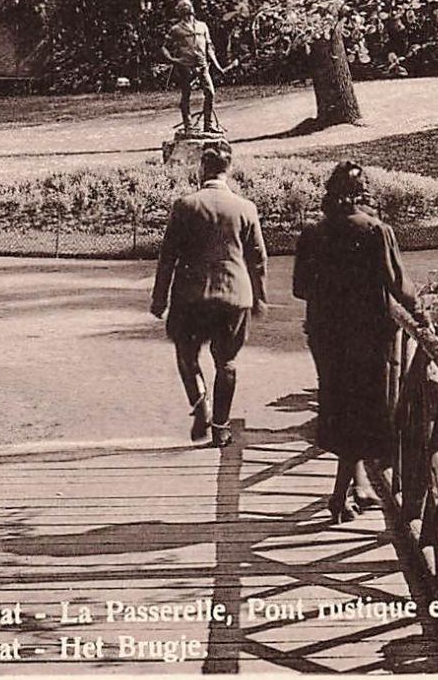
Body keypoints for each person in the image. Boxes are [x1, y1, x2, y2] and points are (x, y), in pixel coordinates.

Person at [292, 162, 417, 522]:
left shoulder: (312, 234)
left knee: (336, 405)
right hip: (367, 334)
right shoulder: (377, 231)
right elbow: (399, 286)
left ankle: (355, 487)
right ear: (363, 194)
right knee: (362, 410)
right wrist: (422, 314)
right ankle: (338, 495)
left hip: (325, 334)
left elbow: (300, 288)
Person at [150, 140, 268, 448]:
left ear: (202, 168)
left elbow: (168, 257)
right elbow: (258, 258)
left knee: (186, 354)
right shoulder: (246, 208)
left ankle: (200, 401)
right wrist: (260, 297)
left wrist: (159, 298)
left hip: (192, 297)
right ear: (229, 170)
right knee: (226, 362)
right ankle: (221, 427)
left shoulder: (186, 206)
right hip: (234, 296)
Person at [160, 0, 226, 135]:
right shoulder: (176, 29)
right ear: (179, 11)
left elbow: (209, 47)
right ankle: (188, 125)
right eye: (183, 6)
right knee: (186, 95)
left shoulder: (202, 26)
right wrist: (173, 60)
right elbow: (165, 47)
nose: (186, 7)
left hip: (202, 64)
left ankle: (208, 124)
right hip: (185, 66)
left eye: (188, 5)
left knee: (210, 93)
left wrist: (216, 64)